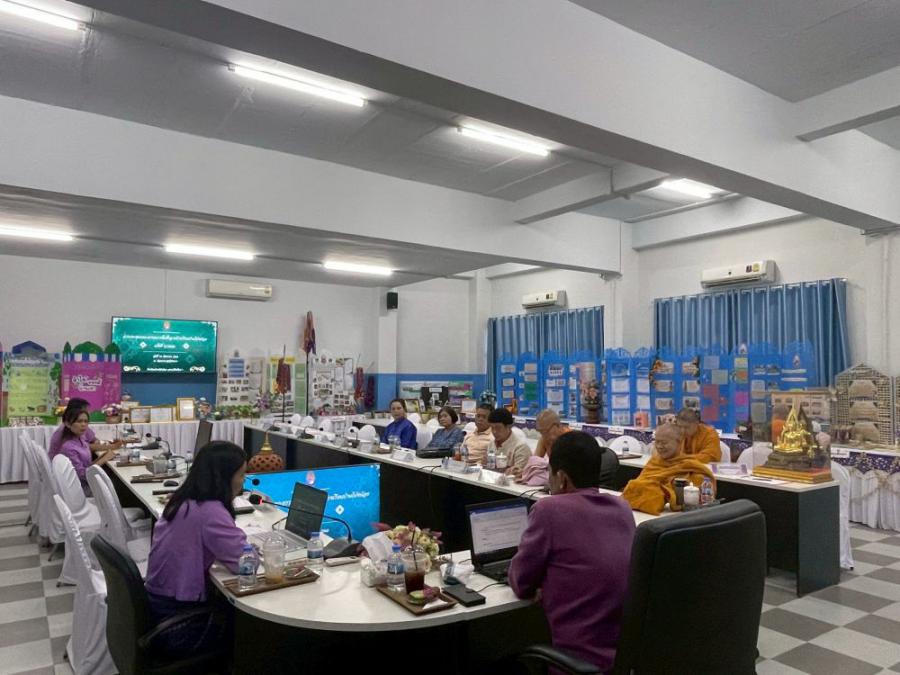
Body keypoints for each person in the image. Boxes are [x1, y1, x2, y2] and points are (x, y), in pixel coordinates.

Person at [508, 431, 636, 672]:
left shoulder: (549, 509)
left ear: (562, 478)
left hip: (576, 661)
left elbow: (521, 582)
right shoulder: (622, 507)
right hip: (622, 659)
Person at [144, 441, 249, 659]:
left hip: (157, 608)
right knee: (249, 629)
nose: (243, 481)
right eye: (241, 475)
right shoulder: (210, 511)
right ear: (224, 478)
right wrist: (255, 548)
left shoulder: (182, 498)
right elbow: (245, 563)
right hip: (180, 626)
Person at [621, 423, 715, 515]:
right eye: (657, 442)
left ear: (679, 442)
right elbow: (638, 486)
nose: (659, 446)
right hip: (639, 512)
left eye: (664, 443)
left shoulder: (691, 467)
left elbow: (701, 500)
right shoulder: (654, 462)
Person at [48, 407, 117, 494]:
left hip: (87, 482)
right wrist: (104, 459)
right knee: (118, 484)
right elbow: (84, 475)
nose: (83, 424)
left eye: (86, 421)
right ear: (68, 424)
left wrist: (102, 457)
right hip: (81, 489)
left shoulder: (81, 440)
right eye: (79, 421)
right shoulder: (68, 447)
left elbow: (87, 466)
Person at [48, 398, 123, 456]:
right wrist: (113, 446)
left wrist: (105, 444)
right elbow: (87, 447)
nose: (88, 413)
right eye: (86, 410)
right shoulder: (67, 429)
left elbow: (94, 440)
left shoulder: (81, 425)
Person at [486, 407, 531, 475]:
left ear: (509, 426)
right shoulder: (491, 444)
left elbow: (519, 474)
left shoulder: (521, 447)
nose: (494, 432)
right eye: (492, 428)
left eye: (498, 428)